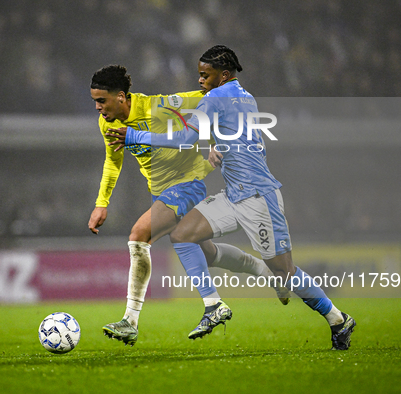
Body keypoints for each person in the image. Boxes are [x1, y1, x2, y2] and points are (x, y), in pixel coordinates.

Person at [106, 46, 356, 350]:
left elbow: (185, 138)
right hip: (234, 193)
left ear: (223, 75)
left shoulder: (215, 98)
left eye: (205, 74)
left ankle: (338, 319)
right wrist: (222, 147)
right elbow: (245, 139)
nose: (200, 80)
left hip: (258, 197)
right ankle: (214, 306)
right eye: (199, 74)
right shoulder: (245, 97)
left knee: (285, 271)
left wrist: (136, 136)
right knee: (183, 234)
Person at [89, 65, 289, 346]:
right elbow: (113, 161)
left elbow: (206, 97)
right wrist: (102, 203)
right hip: (161, 190)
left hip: (188, 182)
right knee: (207, 254)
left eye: (102, 101)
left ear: (121, 96)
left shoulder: (159, 108)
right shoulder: (107, 123)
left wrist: (219, 135)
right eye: (95, 101)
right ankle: (266, 272)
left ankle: (133, 320)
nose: (98, 108)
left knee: (138, 235)